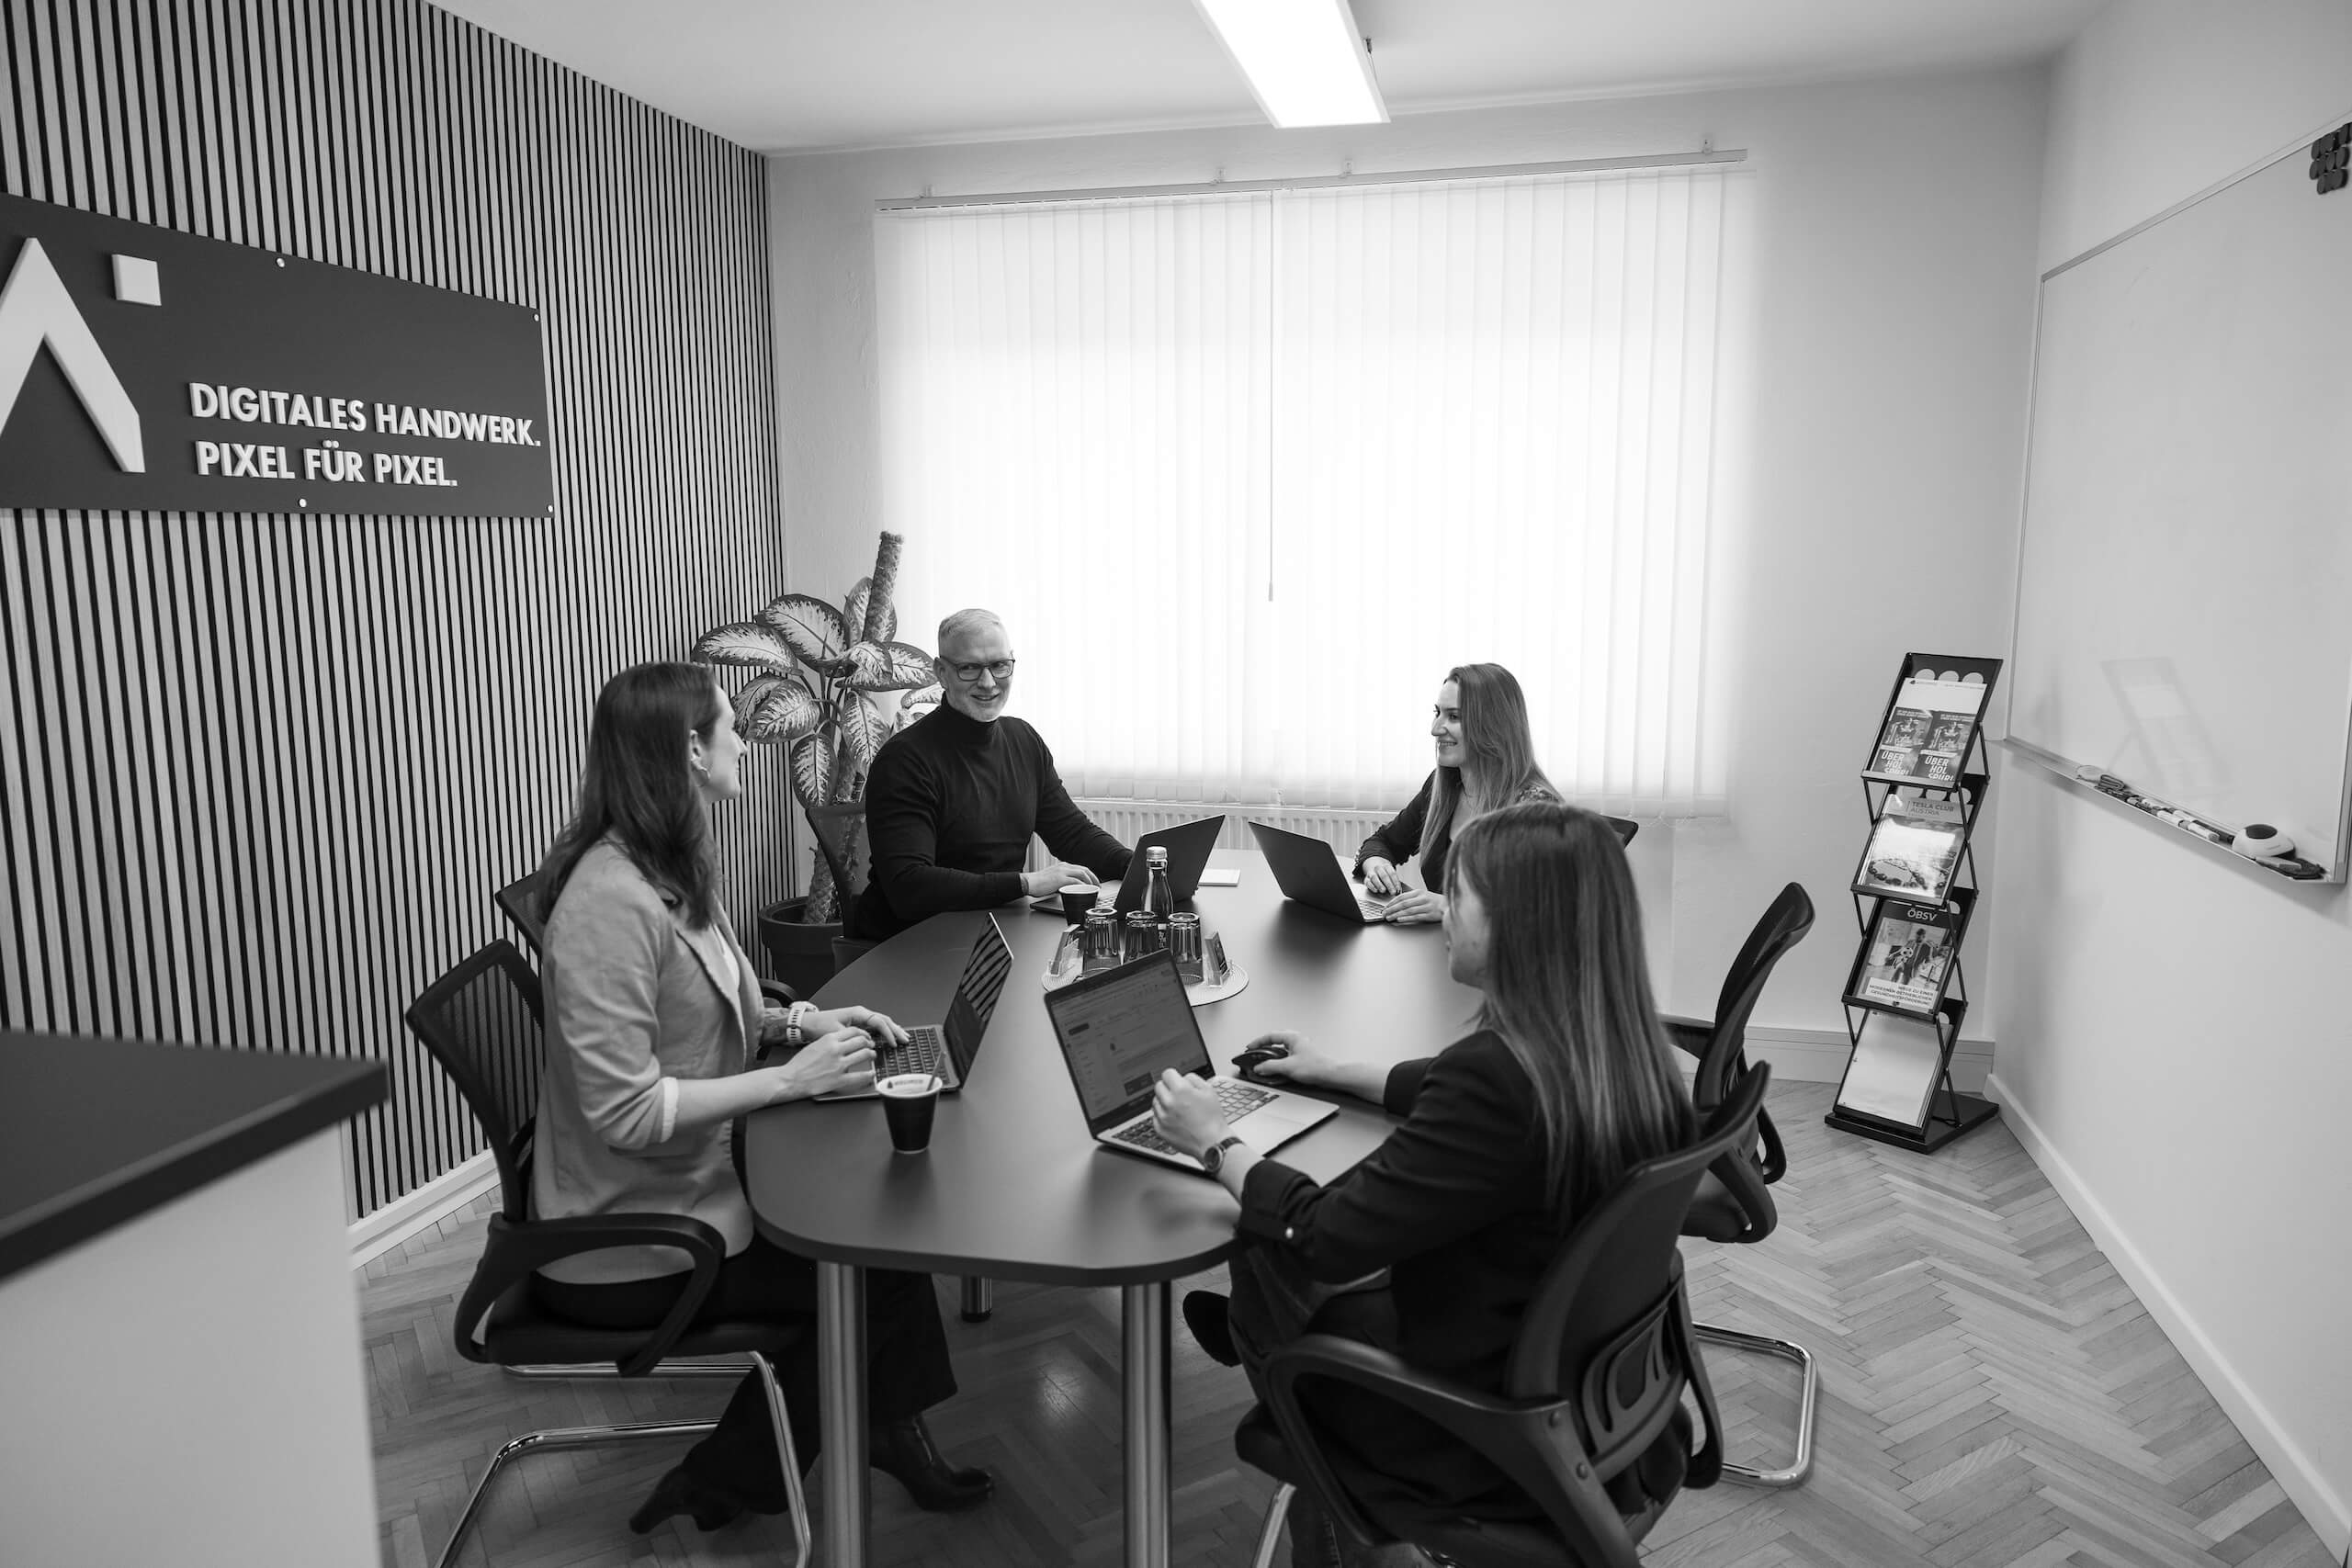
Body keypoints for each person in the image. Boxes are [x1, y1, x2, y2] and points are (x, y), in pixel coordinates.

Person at [1150, 804, 1695, 1566]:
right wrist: (1330, 1068)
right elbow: (1467, 1091)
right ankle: (1255, 1343)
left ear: (1518, 924)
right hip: (1586, 1387)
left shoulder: (1496, 1077)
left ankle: (1344, 1507)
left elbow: (1327, 1235)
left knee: (1264, 1234)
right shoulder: (1628, 1052)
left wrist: (1217, 1141)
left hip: (1471, 1423)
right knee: (1271, 1245)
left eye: (1460, 897)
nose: (1445, 914)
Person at [528, 661, 992, 1535]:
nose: (745, 739)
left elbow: (713, 1003)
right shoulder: (607, 903)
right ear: (690, 753)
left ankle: (875, 1432)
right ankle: (738, 1472)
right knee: (858, 1273)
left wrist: (809, 1021)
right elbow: (622, 1111)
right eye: (729, 727)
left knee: (878, 1247)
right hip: (629, 1239)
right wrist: (789, 1082)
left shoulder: (667, 862)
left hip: (689, 1181)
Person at [855, 607, 1132, 939]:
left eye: (999, 666)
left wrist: (1138, 866)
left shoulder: (1024, 741)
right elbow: (911, 887)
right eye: (969, 668)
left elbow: (1073, 834)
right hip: (906, 944)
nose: (988, 683)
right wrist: (1026, 883)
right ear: (941, 673)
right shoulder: (904, 760)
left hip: (993, 932)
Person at [1355, 663, 1559, 924]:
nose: (1435, 728)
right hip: (1445, 949)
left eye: (1454, 717)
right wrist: (1377, 866)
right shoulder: (1443, 788)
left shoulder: (1535, 808)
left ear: (1494, 724)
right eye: (1437, 713)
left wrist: (1451, 907)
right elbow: (1383, 841)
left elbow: (1542, 913)